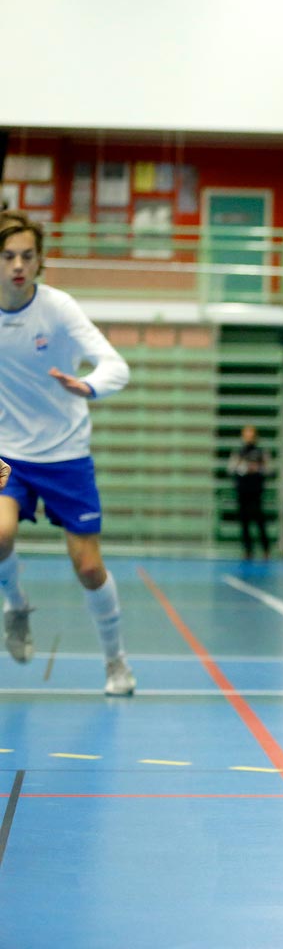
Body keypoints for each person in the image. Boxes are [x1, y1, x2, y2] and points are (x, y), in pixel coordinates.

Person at [0, 211, 136, 696]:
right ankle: (15, 606)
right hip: (8, 455)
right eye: (8, 255)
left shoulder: (59, 308)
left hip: (66, 454)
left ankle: (116, 662)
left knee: (89, 568)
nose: (18, 265)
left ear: (40, 260)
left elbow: (115, 366)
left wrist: (90, 385)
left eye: (27, 256)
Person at [229, 425, 271, 560]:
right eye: (246, 435)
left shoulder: (261, 452)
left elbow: (268, 469)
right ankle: (248, 550)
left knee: (259, 521)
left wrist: (257, 468)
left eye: (251, 435)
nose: (249, 438)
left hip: (256, 492)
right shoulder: (239, 452)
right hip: (243, 491)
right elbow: (231, 469)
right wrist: (242, 467)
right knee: (244, 522)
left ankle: (266, 550)